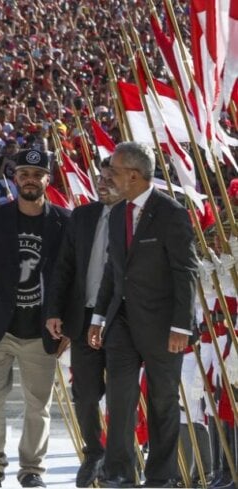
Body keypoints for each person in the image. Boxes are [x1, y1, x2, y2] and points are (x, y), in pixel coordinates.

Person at [88, 142, 199, 488]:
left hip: (165, 325)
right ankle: (119, 470)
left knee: (162, 401)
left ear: (133, 175)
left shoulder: (171, 213)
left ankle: (160, 475)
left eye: (115, 172)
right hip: (121, 321)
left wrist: (182, 324)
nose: (108, 179)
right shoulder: (118, 212)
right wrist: (98, 318)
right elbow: (112, 269)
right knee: (120, 397)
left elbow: (186, 271)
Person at [0, 149, 71, 488]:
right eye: (24, 173)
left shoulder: (64, 220)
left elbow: (72, 276)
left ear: (48, 179)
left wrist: (68, 325)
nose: (30, 179)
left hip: (42, 329)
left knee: (37, 407)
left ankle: (32, 469)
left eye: (37, 174)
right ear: (15, 178)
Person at [44, 159, 121, 487]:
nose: (102, 184)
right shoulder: (83, 216)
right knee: (85, 393)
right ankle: (94, 452)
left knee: (122, 393)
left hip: (123, 320)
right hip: (84, 318)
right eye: (100, 178)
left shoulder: (139, 218)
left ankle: (119, 459)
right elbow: (64, 267)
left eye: (109, 179)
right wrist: (54, 311)